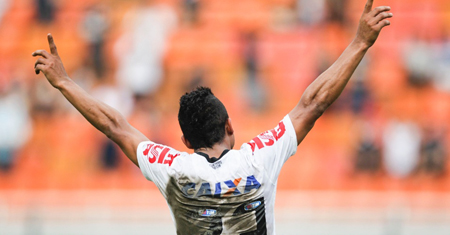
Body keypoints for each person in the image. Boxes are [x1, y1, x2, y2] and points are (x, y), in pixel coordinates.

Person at [32, 0, 392, 233]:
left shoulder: (173, 169)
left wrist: (64, 82)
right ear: (229, 126)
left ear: (186, 141)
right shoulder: (258, 160)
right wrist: (359, 42)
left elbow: (114, 125)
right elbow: (313, 104)